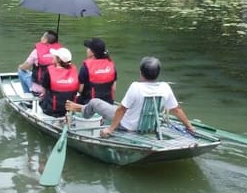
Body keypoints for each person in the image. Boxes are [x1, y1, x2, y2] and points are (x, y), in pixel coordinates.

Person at [66, 56, 196, 138]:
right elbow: (177, 109)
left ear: (141, 73)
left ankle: (81, 111)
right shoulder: (165, 87)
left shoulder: (136, 87)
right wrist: (189, 126)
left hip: (128, 125)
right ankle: (84, 108)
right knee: (115, 107)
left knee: (95, 102)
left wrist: (110, 129)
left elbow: (121, 110)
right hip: (150, 126)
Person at [16, 30, 61, 96]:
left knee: (20, 70)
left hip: (40, 89)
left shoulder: (36, 51)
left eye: (43, 36)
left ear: (45, 40)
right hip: (56, 87)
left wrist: (20, 66)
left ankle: (27, 94)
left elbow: (25, 66)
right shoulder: (61, 52)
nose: (41, 37)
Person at [39, 47, 78, 117]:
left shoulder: (49, 71)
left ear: (59, 59)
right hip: (71, 110)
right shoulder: (74, 70)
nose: (52, 56)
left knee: (42, 97)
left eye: (54, 55)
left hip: (52, 111)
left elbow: (44, 90)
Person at [77, 37, 116, 104]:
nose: (87, 50)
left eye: (88, 48)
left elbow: (80, 90)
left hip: (90, 105)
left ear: (92, 52)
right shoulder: (111, 65)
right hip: (108, 103)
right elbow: (113, 89)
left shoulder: (85, 67)